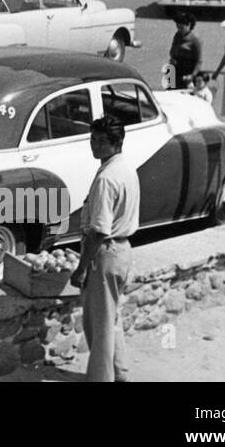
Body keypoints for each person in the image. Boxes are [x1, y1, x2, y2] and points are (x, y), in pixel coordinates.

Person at [69, 115, 140, 383]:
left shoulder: (107, 178)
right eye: (92, 139)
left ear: (115, 143)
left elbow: (99, 230)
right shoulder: (125, 169)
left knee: (99, 326)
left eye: (100, 141)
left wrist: (82, 268)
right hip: (122, 253)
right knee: (111, 319)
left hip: (106, 255)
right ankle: (120, 373)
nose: (93, 145)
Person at [167, 12, 202, 89]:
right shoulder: (177, 35)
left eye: (181, 28)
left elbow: (199, 61)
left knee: (184, 95)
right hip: (174, 69)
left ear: (189, 25)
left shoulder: (195, 40)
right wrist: (172, 57)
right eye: (178, 27)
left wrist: (192, 75)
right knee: (170, 92)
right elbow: (172, 50)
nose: (179, 30)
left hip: (187, 71)